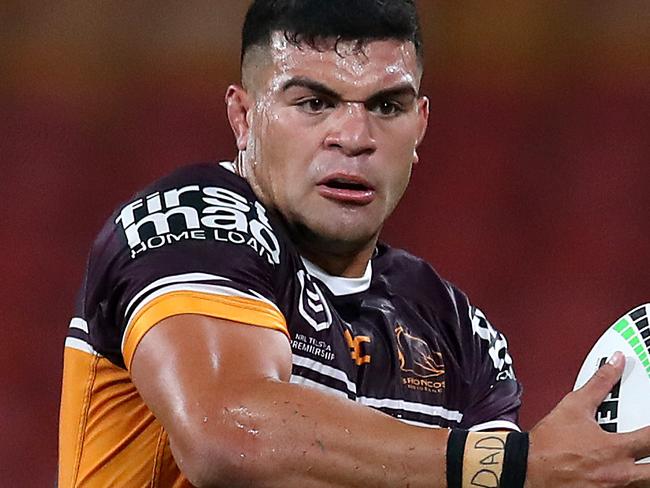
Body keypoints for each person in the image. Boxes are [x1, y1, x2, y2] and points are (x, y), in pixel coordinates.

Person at [58, 1, 650, 486]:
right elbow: (229, 433)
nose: (354, 137)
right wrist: (515, 466)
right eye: (313, 103)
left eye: (386, 107)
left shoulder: (457, 332)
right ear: (243, 117)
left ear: (420, 125)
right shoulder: (188, 224)